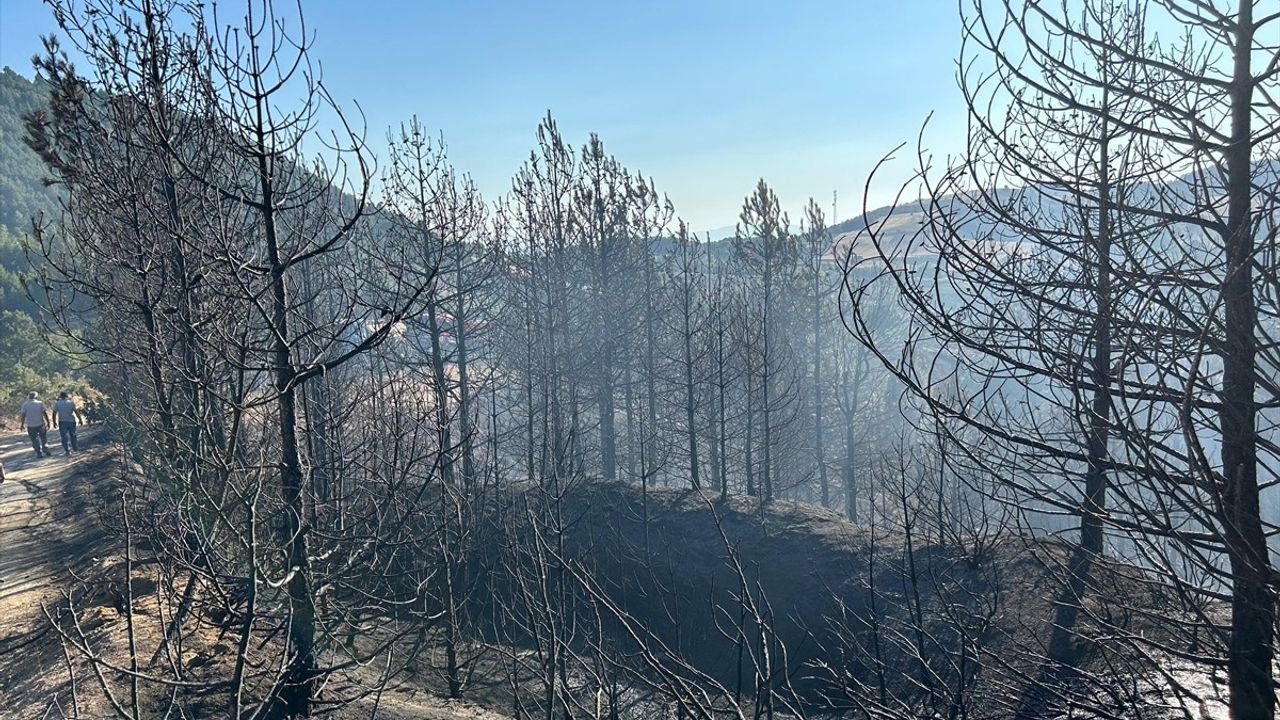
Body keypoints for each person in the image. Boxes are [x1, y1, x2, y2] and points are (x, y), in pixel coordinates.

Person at [20, 391, 51, 458]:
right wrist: (48, 422)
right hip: (40, 424)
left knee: (34, 440)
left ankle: (39, 453)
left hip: (31, 425)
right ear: (36, 396)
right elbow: (44, 413)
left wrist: (22, 424)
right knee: (43, 438)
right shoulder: (40, 403)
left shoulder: (25, 404)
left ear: (29, 396)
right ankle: (45, 449)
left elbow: (23, 415)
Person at [53, 391, 80, 455]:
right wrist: (80, 419)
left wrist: (54, 422)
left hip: (62, 421)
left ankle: (67, 450)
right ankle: (75, 447)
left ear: (60, 396)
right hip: (71, 420)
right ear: (67, 396)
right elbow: (75, 411)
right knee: (73, 435)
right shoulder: (71, 402)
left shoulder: (57, 403)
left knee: (64, 436)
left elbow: (54, 413)